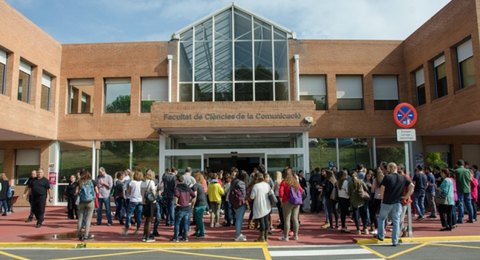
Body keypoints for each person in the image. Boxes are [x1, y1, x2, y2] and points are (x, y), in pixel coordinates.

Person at [375, 163, 414, 246]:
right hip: (397, 202)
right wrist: (406, 196)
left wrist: (382, 198)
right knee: (396, 221)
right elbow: (412, 186)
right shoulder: (402, 177)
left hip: (387, 202)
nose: (387, 169)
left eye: (388, 168)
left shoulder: (387, 177)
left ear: (392, 168)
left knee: (382, 218)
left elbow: (382, 188)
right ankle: (395, 240)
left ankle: (381, 235)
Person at [278, 169, 303, 241]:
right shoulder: (295, 182)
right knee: (295, 219)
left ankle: (286, 236)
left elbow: (281, 193)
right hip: (296, 202)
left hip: (287, 201)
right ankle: (295, 235)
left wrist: (281, 201)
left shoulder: (284, 182)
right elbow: (301, 191)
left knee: (287, 219)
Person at [170, 175, 195, 242]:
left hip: (180, 207)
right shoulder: (187, 187)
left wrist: (176, 204)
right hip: (187, 207)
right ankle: (185, 236)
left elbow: (176, 196)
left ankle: (176, 237)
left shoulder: (177, 188)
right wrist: (191, 203)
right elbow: (193, 195)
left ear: (177, 181)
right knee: (186, 223)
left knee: (177, 223)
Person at [76, 170, 98, 241]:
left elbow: (76, 192)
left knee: (80, 219)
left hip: (82, 201)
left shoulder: (80, 182)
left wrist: (80, 195)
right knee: (88, 219)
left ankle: (79, 234)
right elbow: (97, 191)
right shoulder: (92, 181)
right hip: (90, 201)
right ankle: (86, 235)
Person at [120, 169, 144, 235]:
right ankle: (137, 229)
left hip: (133, 199)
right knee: (139, 215)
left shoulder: (132, 182)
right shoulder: (142, 183)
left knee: (129, 214)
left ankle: (126, 229)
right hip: (140, 200)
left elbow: (129, 191)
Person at [249, 173, 271, 242]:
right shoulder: (267, 185)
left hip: (259, 204)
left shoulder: (256, 186)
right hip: (267, 204)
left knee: (262, 221)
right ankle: (266, 236)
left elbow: (252, 196)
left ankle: (261, 237)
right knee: (266, 221)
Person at [232, 170, 249, 242]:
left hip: (234, 202)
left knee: (237, 218)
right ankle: (238, 235)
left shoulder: (234, 182)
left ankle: (238, 233)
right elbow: (244, 195)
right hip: (240, 203)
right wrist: (247, 203)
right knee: (239, 219)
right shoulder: (241, 183)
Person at [141, 169, 157, 242]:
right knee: (150, 220)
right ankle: (148, 237)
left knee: (146, 220)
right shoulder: (151, 182)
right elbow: (153, 193)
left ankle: (144, 236)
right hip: (150, 203)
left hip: (144, 202)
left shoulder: (142, 182)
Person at [191, 172, 208, 239]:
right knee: (198, 219)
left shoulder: (195, 186)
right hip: (202, 203)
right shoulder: (200, 185)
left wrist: (192, 204)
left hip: (199, 204)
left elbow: (194, 196)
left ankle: (201, 233)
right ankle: (198, 231)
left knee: (199, 219)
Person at [369, 168, 383, 234]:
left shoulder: (375, 180)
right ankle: (383, 228)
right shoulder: (385, 179)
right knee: (382, 214)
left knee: (373, 213)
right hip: (384, 198)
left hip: (377, 197)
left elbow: (372, 190)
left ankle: (377, 227)